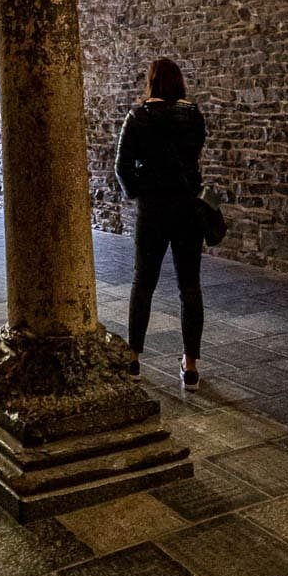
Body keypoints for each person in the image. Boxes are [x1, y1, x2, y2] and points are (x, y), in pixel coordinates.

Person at [116, 57, 207, 389]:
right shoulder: (192, 114)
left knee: (143, 282)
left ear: (151, 81)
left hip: (153, 208)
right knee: (189, 285)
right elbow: (195, 153)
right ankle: (190, 366)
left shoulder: (137, 116)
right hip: (187, 207)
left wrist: (140, 191)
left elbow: (122, 166)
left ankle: (133, 359)